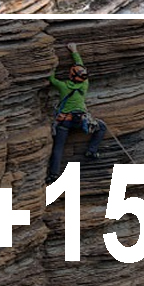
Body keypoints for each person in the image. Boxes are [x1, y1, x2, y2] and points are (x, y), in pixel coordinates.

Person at [46, 42, 107, 184]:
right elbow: (81, 65)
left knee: (58, 148)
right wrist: (74, 51)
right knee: (102, 127)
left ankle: (54, 174)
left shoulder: (62, 86)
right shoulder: (84, 85)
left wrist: (52, 65)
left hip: (64, 122)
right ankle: (91, 150)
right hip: (81, 121)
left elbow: (51, 79)